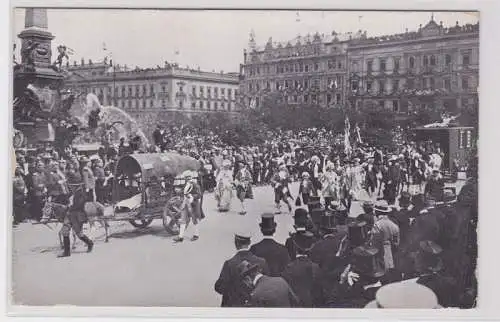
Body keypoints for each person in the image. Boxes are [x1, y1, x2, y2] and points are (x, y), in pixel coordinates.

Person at [214, 231, 270, 307]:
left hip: (234, 308)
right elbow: (267, 285)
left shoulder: (229, 264)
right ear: (249, 242)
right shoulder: (262, 262)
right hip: (256, 307)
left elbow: (219, 288)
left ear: (235, 243)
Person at [281, 233, 325, 307]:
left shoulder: (288, 268)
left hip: (295, 308)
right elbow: (320, 293)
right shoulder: (316, 267)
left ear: (295, 248)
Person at [369, 200, 400, 272]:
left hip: (379, 256)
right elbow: (396, 243)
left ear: (377, 212)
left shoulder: (377, 225)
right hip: (390, 257)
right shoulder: (394, 225)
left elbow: (374, 243)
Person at [173, 170, 203, 243]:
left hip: (193, 204)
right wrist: (179, 192)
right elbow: (184, 192)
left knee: (194, 220)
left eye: (189, 177)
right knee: (183, 220)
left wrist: (192, 196)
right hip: (185, 203)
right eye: (186, 177)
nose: (188, 178)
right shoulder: (186, 184)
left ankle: (196, 235)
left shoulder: (195, 185)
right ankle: (180, 237)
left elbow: (199, 194)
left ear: (191, 177)